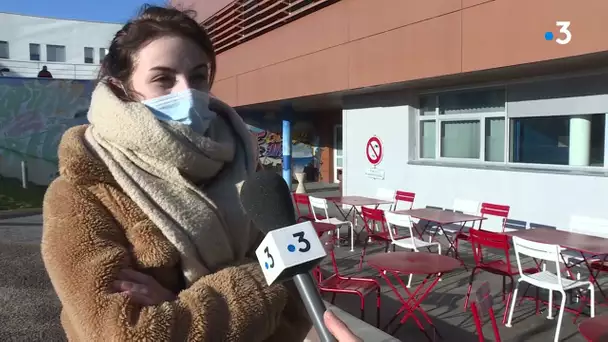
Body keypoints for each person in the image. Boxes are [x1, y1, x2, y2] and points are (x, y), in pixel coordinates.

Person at [41, 5, 311, 341]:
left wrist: (176, 306)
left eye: (198, 76)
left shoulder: (249, 169)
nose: (186, 92)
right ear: (122, 88)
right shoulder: (82, 191)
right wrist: (258, 283)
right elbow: (125, 333)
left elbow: (302, 304)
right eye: (163, 79)